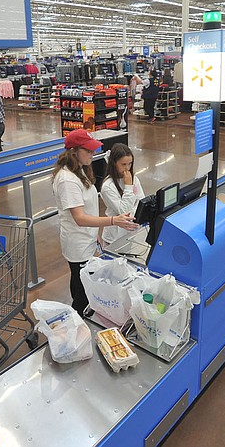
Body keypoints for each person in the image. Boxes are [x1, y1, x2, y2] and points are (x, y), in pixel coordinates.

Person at [52, 129, 137, 315]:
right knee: (81, 289)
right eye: (88, 151)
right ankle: (76, 320)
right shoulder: (67, 180)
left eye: (93, 150)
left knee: (81, 281)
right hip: (77, 243)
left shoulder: (80, 170)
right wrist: (113, 220)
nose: (93, 154)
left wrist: (96, 233)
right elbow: (79, 218)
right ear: (74, 151)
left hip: (87, 239)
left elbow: (88, 210)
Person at [101, 143, 145, 246]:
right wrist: (128, 187)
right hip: (114, 238)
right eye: (123, 164)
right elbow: (123, 211)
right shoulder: (108, 186)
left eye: (130, 164)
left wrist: (134, 216)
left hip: (131, 232)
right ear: (114, 163)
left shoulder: (134, 178)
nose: (127, 168)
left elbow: (141, 201)